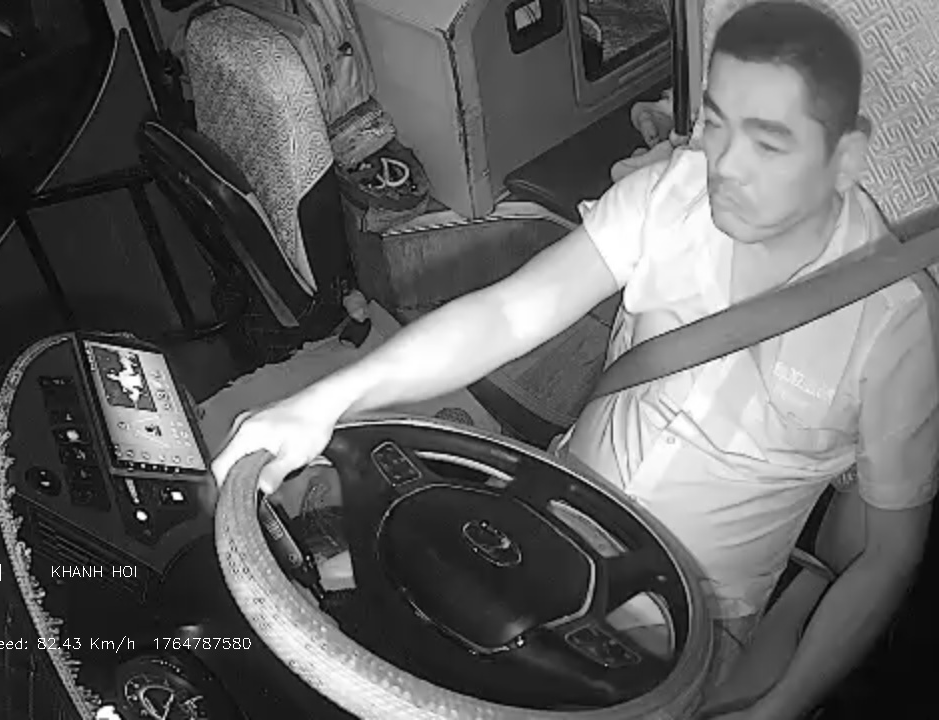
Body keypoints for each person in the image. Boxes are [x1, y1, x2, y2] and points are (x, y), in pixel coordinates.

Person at [214, 1, 939, 717]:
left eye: (770, 143)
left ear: (846, 157)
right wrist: (321, 403)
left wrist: (779, 707)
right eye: (717, 123)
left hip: (691, 624)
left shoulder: (897, 324)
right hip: (545, 514)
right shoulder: (673, 194)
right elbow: (511, 312)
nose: (726, 166)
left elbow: (887, 554)